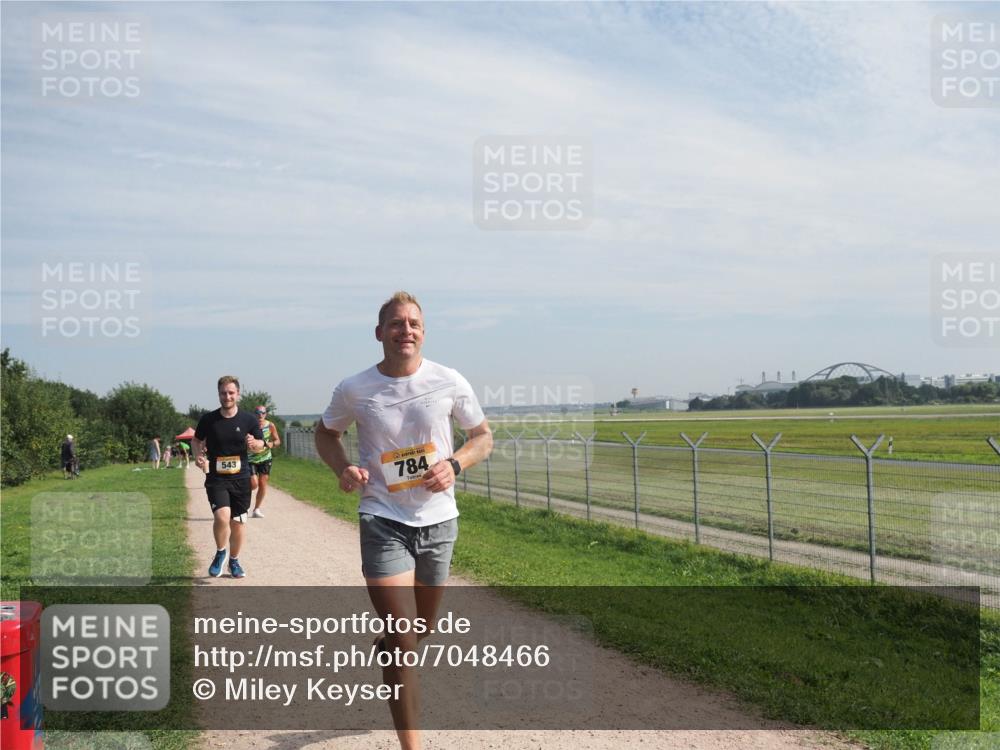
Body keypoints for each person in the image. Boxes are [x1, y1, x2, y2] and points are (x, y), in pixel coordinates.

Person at [314, 291, 492, 750]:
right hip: (382, 517)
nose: (405, 330)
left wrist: (454, 465)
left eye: (413, 323)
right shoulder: (354, 388)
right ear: (380, 334)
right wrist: (343, 469)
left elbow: (482, 437)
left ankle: (398, 647)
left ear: (423, 332)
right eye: (396, 323)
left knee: (420, 629)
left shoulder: (448, 380)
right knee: (401, 634)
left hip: (438, 521)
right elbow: (326, 432)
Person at [192, 376, 265, 578]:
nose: (227, 396)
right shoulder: (208, 420)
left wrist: (255, 444)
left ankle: (234, 561)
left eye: (231, 392)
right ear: (219, 395)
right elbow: (196, 440)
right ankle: (220, 552)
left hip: (241, 479)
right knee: (222, 517)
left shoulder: (249, 419)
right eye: (224, 393)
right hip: (217, 478)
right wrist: (198, 455)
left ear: (238, 394)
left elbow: (262, 444)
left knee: (238, 522)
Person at [249, 405, 281, 518]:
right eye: (258, 413)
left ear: (266, 414)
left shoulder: (270, 425)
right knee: (253, 484)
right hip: (250, 459)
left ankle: (256, 509)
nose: (260, 415)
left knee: (263, 484)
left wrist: (271, 444)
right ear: (254, 414)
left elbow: (277, 440)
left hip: (265, 458)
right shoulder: (249, 425)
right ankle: (242, 498)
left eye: (263, 413)